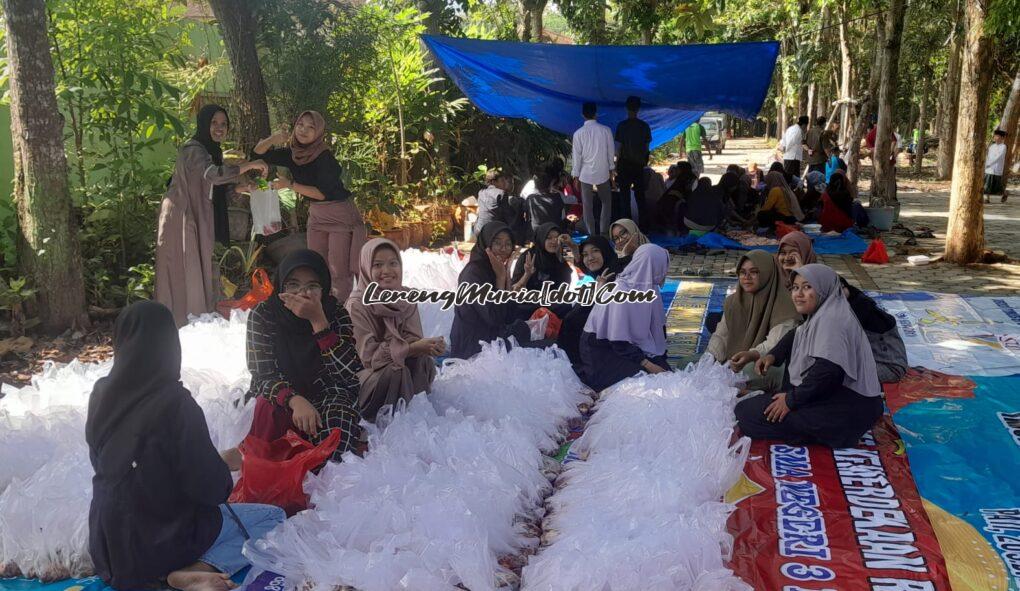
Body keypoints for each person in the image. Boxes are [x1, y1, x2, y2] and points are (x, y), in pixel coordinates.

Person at [87, 301, 284, 591]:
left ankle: (174, 573)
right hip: (161, 543)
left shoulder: (102, 394)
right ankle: (193, 570)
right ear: (169, 346)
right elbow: (211, 490)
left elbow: (116, 462)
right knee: (272, 517)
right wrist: (223, 464)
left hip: (109, 550)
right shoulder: (175, 403)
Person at [734, 264, 884, 448]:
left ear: (823, 288)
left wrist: (791, 400)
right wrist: (772, 356)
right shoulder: (824, 312)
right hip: (843, 399)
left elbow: (828, 371)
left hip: (848, 410)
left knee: (746, 414)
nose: (798, 294)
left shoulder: (832, 320)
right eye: (795, 288)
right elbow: (797, 335)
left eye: (807, 287)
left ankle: (827, 435)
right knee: (753, 408)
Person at [245, 250, 363, 462]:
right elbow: (263, 375)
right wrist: (294, 400)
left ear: (324, 288)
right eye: (293, 284)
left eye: (312, 286)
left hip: (326, 392)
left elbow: (348, 374)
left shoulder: (335, 313)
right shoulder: (263, 315)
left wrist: (319, 322)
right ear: (281, 286)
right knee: (267, 411)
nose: (303, 293)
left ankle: (317, 476)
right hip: (281, 393)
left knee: (337, 440)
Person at [156, 105, 268, 327]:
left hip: (197, 216)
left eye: (223, 124)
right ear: (204, 124)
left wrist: (244, 188)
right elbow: (213, 175)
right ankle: (179, 322)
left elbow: (215, 190)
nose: (219, 128)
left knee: (197, 268)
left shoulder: (211, 152)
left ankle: (195, 320)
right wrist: (250, 165)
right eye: (214, 123)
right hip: (182, 216)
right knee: (183, 269)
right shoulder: (193, 150)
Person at [253, 111, 366, 303]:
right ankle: (319, 308)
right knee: (316, 265)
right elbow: (257, 153)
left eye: (310, 127)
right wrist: (273, 138)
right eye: (300, 125)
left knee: (339, 270)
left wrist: (290, 185)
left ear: (319, 132)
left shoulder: (324, 157)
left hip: (339, 214)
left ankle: (338, 314)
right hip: (317, 215)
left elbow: (322, 193)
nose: (303, 130)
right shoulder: (293, 153)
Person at [347, 239, 441, 421]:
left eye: (393, 263)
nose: (387, 271)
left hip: (393, 367)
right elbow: (368, 357)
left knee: (423, 361)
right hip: (366, 377)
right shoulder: (357, 305)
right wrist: (410, 348)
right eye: (377, 265)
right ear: (366, 268)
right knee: (396, 369)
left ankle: (417, 418)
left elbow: (413, 339)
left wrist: (429, 346)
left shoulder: (405, 298)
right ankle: (388, 423)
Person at [575, 243, 671, 391]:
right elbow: (618, 341)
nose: (664, 270)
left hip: (627, 347)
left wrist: (657, 361)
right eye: (662, 265)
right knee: (649, 383)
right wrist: (650, 365)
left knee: (667, 374)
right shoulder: (619, 291)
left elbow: (657, 328)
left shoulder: (649, 287)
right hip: (601, 351)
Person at [706, 251, 799, 391]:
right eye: (742, 272)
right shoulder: (734, 301)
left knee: (744, 374)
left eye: (754, 272)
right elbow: (721, 335)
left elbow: (775, 344)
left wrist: (751, 355)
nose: (747, 277)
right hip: (737, 359)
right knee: (688, 365)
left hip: (769, 361)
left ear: (767, 274)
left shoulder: (785, 305)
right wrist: (710, 357)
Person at [450, 222, 536, 359]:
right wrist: (501, 278)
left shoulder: (495, 269)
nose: (503, 249)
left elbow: (509, 315)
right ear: (486, 244)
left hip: (491, 334)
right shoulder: (473, 274)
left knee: (522, 328)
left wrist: (507, 274)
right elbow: (494, 317)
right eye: (497, 243)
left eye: (508, 244)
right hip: (473, 345)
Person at [556, 236, 620, 365]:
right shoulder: (602, 270)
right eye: (585, 254)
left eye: (595, 251)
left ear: (605, 251)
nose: (590, 257)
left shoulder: (616, 277)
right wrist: (570, 245)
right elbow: (576, 262)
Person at [839, 277, 907, 384]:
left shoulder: (857, 308)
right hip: (868, 360)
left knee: (832, 377)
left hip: (889, 367)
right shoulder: (849, 299)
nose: (802, 294)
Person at [510, 223, 575, 319]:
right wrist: (527, 275)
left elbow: (577, 262)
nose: (554, 241)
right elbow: (515, 290)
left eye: (557, 238)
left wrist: (569, 245)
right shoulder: (528, 256)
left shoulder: (562, 254)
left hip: (552, 302)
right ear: (541, 238)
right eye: (548, 238)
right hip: (530, 301)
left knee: (567, 306)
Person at [572, 102, 616, 237]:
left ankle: (591, 234)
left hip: (585, 174)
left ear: (582, 115)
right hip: (603, 171)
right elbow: (610, 152)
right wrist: (611, 170)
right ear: (596, 113)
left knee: (587, 206)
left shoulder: (578, 133)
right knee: (606, 202)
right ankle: (603, 232)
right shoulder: (606, 130)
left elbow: (576, 157)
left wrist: (575, 176)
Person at [615, 96, 653, 230]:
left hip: (624, 165)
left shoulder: (622, 126)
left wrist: (616, 165)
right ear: (638, 109)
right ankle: (644, 228)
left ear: (626, 108)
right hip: (639, 165)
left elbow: (618, 149)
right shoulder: (644, 126)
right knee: (640, 197)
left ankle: (626, 228)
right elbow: (647, 148)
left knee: (624, 198)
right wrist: (644, 161)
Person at [526, 166, 566, 237]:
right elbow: (562, 217)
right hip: (555, 234)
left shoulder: (530, 199)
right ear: (551, 183)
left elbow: (528, 218)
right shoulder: (557, 197)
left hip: (537, 235)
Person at [984, 129, 1008, 204]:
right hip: (989, 168)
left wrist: (990, 163)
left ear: (1002, 138)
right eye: (995, 136)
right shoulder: (992, 146)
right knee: (987, 183)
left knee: (998, 185)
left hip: (997, 168)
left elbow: (999, 157)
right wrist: (986, 164)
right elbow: (988, 156)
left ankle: (1004, 194)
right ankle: (986, 198)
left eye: (997, 136)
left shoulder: (1003, 147)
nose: (995, 138)